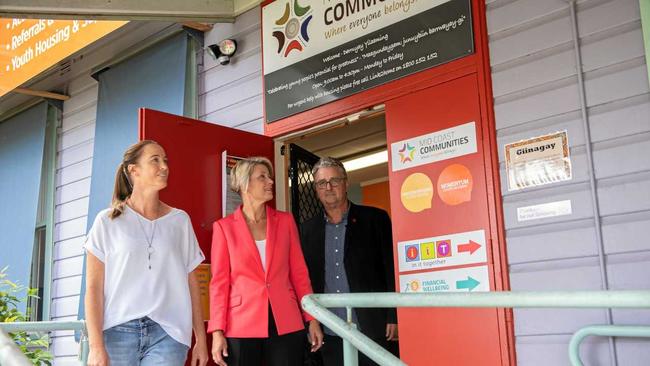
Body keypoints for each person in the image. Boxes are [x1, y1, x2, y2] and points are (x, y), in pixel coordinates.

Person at [84, 140, 209, 366]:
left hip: (168, 334)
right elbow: (93, 289)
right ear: (134, 170)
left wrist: (201, 338)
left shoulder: (180, 221)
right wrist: (95, 346)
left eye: (165, 160)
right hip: (117, 332)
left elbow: (192, 282)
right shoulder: (107, 221)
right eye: (155, 160)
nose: (164, 166)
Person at [208, 156, 324, 366]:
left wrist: (312, 318)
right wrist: (217, 331)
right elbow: (219, 284)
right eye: (262, 177)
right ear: (244, 184)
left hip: (285, 320)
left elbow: (299, 274)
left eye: (269, 177)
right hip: (241, 323)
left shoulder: (286, 221)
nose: (270, 182)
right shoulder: (224, 228)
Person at [300, 157, 398, 366]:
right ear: (316, 189)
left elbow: (391, 268)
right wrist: (311, 321)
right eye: (321, 183)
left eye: (334, 181)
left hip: (372, 325)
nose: (328, 187)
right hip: (329, 329)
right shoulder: (307, 230)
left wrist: (393, 314)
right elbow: (303, 279)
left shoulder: (375, 219)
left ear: (346, 183)